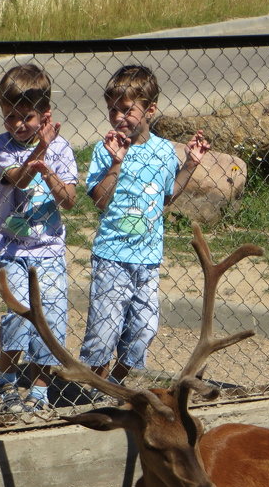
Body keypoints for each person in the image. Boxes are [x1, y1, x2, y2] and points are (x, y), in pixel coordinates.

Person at [79, 64, 210, 393]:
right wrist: (116, 162)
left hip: (149, 259)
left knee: (144, 328)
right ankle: (97, 390)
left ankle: (115, 384)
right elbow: (100, 200)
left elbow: (168, 197)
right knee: (104, 329)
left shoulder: (165, 151)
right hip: (112, 256)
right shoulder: (104, 150)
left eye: (126, 109)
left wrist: (190, 165)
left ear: (150, 110)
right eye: (112, 109)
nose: (118, 116)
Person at [0, 63, 78, 414]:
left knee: (51, 317)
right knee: (17, 314)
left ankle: (40, 388)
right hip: (12, 247)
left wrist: (50, 168)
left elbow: (69, 200)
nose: (18, 125)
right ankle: (6, 383)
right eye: (10, 117)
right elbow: (20, 180)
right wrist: (39, 153)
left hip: (50, 248)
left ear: (45, 114)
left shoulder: (63, 149)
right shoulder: (0, 147)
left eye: (26, 117)